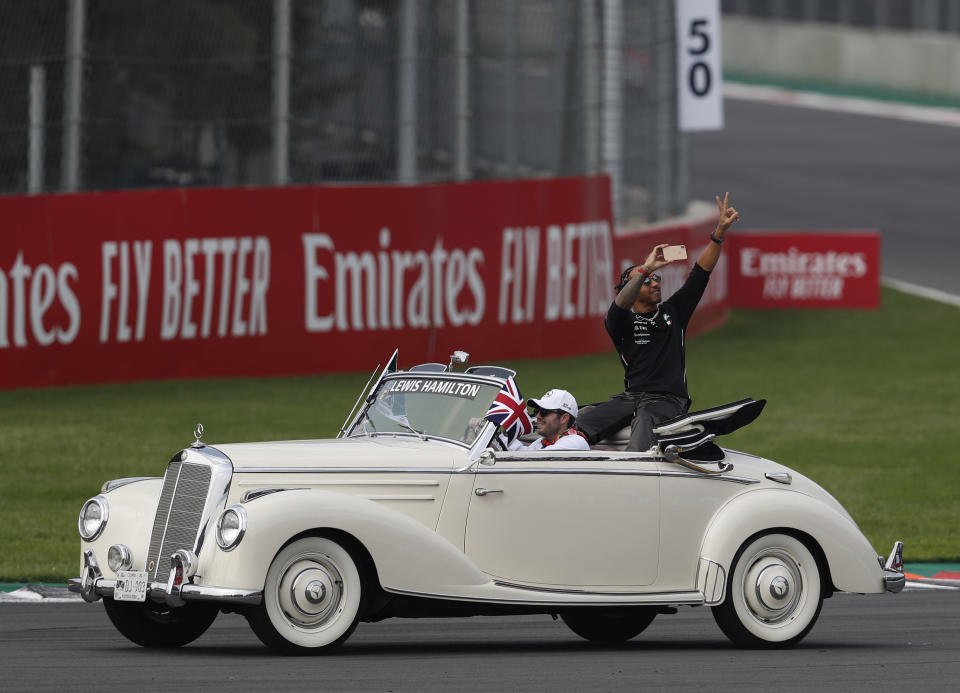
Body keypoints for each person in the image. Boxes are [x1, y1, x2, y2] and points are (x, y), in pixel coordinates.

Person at [577, 192, 740, 451]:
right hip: (630, 398)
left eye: (656, 278)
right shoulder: (619, 320)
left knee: (644, 424)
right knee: (580, 424)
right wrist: (645, 270)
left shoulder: (674, 311)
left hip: (667, 400)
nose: (654, 282)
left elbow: (701, 273)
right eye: (647, 280)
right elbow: (621, 303)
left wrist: (719, 232)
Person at [507, 389, 590, 451]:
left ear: (564, 418)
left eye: (544, 412)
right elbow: (523, 454)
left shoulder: (575, 442)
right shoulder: (541, 442)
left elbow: (535, 461)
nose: (538, 416)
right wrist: (502, 437)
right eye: (537, 411)